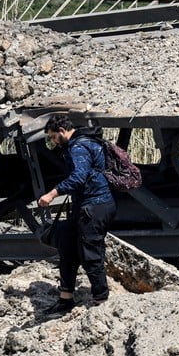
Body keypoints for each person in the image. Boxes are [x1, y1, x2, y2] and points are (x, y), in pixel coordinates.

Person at [36, 115, 118, 307]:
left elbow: (78, 177)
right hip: (88, 204)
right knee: (67, 245)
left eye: (53, 137)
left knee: (91, 253)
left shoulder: (78, 148)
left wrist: (52, 194)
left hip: (94, 205)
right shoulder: (88, 141)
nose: (53, 142)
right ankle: (65, 297)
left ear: (63, 131)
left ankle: (101, 299)